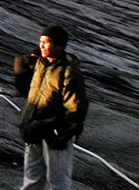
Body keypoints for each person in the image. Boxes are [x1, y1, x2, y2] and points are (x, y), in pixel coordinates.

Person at [18, 25, 89, 190]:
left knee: (58, 182)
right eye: (40, 41)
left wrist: (61, 133)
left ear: (59, 45)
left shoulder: (68, 72)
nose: (41, 45)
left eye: (46, 42)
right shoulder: (40, 65)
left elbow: (77, 108)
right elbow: (24, 84)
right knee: (32, 180)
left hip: (54, 135)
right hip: (34, 130)